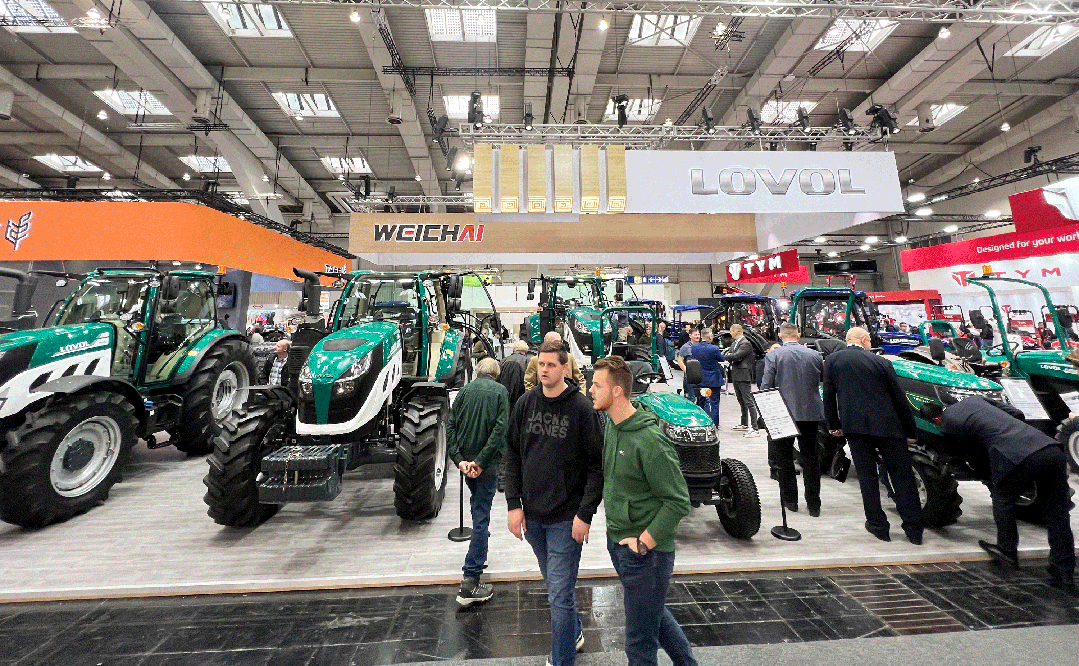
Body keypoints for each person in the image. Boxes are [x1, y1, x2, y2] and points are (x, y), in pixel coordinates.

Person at [589, 356, 697, 666]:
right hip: (621, 543)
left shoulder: (649, 440)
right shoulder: (613, 425)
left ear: (617, 391)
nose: (591, 390)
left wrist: (644, 542)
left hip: (646, 555)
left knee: (639, 644)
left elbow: (678, 500)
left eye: (597, 385)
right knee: (654, 616)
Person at [506, 340, 603, 666]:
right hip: (534, 517)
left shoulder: (581, 409)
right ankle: (574, 633)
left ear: (564, 367)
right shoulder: (525, 404)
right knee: (556, 587)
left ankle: (562, 660)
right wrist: (513, 504)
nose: (544, 370)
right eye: (541, 365)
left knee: (559, 596)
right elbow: (513, 455)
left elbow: (596, 466)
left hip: (566, 518)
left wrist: (585, 514)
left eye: (551, 365)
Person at [921, 399, 1075, 592]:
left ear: (935, 419)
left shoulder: (948, 424)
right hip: (1049, 449)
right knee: (1057, 513)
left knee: (1002, 499)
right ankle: (1063, 571)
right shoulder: (972, 401)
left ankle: (1007, 553)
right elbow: (1017, 413)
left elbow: (972, 454)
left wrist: (987, 472)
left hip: (1015, 456)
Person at [824, 327, 925, 544]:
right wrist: (910, 430)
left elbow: (829, 395)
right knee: (902, 477)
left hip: (855, 428)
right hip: (889, 427)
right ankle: (914, 530)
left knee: (867, 477)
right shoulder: (881, 362)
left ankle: (878, 526)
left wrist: (833, 424)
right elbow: (899, 398)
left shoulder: (832, 361)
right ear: (864, 340)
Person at [448, 357, 510, 607]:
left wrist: (460, 461)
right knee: (481, 517)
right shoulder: (500, 392)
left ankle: (479, 553)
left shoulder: (464, 392)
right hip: (486, 465)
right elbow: (500, 429)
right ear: (497, 374)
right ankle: (471, 579)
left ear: (477, 371)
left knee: (478, 509)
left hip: (467, 464)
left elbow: (451, 427)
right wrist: (482, 462)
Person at [761, 323, 824, 516]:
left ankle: (790, 501)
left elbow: (766, 386)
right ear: (799, 335)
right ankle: (814, 504)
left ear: (780, 336)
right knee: (811, 458)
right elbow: (822, 380)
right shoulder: (815, 355)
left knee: (784, 459)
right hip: (810, 412)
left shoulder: (773, 355)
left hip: (782, 413)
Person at [726, 324, 760, 437]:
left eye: (731, 331)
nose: (730, 333)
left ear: (735, 332)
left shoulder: (745, 343)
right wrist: (730, 355)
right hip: (736, 375)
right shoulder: (735, 343)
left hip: (743, 375)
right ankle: (744, 423)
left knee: (748, 401)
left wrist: (729, 355)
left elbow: (736, 356)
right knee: (741, 400)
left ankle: (755, 428)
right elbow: (731, 354)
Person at [689, 328, 724, 425]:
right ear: (710, 336)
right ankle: (714, 425)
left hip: (701, 379)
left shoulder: (694, 347)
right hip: (714, 380)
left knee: (701, 402)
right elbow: (722, 359)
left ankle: (702, 423)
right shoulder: (714, 349)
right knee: (714, 403)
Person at [499, 340, 530, 409]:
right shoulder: (527, 361)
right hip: (521, 398)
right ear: (525, 351)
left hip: (504, 399)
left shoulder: (503, 361)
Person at [675, 327, 701, 404]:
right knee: (691, 398)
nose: (697, 336)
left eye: (698, 334)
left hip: (700, 376)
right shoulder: (685, 347)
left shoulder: (701, 346)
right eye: (695, 335)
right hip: (690, 377)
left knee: (701, 398)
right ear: (690, 336)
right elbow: (680, 361)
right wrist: (688, 371)